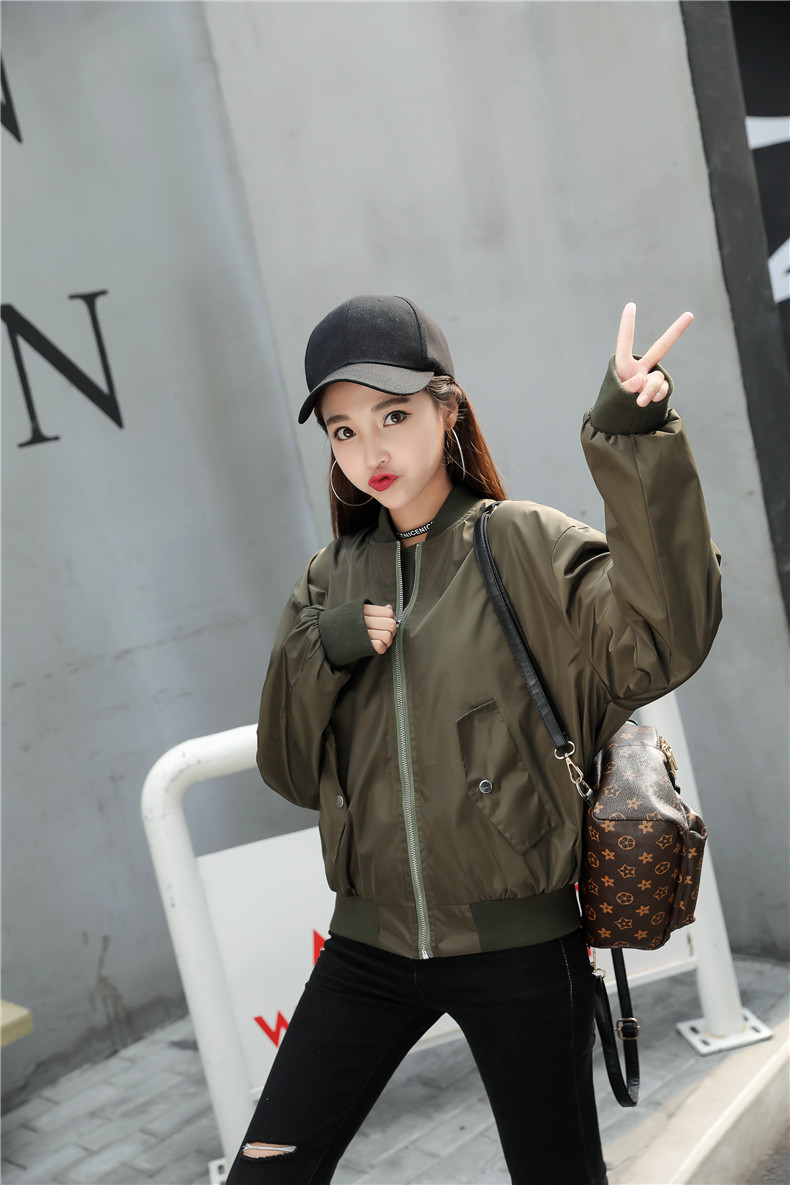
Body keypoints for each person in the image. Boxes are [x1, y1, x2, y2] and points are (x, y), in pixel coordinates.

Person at [225, 295, 721, 1185]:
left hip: (519, 952)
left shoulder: (522, 544)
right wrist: (323, 651)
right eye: (342, 431)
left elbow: (663, 636)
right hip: (367, 949)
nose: (369, 451)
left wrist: (634, 436)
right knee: (266, 1171)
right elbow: (290, 770)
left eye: (393, 415)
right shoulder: (329, 578)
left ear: (448, 407)